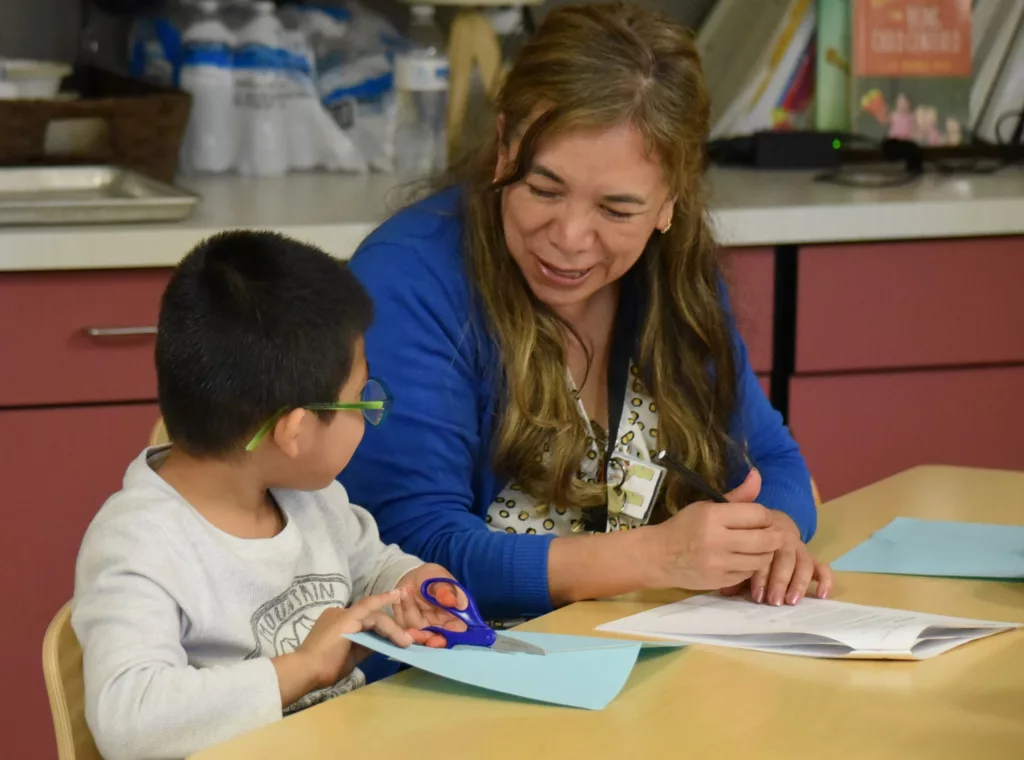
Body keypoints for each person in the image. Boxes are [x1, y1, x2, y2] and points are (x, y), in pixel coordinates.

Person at [342, 3, 832, 624]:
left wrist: (771, 540)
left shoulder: (673, 273)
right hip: (448, 676)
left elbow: (774, 463)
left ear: (668, 206)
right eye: (543, 189)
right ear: (503, 149)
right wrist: (656, 558)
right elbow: (414, 554)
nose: (570, 237)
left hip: (630, 660)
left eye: (617, 210)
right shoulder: (408, 279)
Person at [72, 231, 464, 760]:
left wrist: (408, 584)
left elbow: (370, 564)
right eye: (362, 399)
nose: (372, 414)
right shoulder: (140, 544)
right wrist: (301, 669)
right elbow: (129, 721)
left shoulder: (310, 497)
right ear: (295, 432)